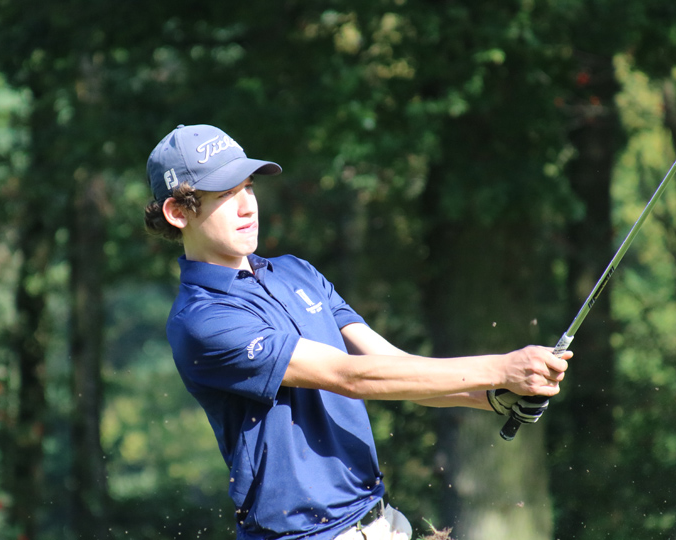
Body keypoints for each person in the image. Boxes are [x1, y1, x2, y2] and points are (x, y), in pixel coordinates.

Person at [143, 124, 570, 540]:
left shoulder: (297, 272)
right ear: (178, 212)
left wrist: (490, 397)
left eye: (249, 188)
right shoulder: (202, 320)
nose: (247, 206)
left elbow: (391, 367)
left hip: (379, 520)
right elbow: (351, 376)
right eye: (225, 195)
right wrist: (503, 368)